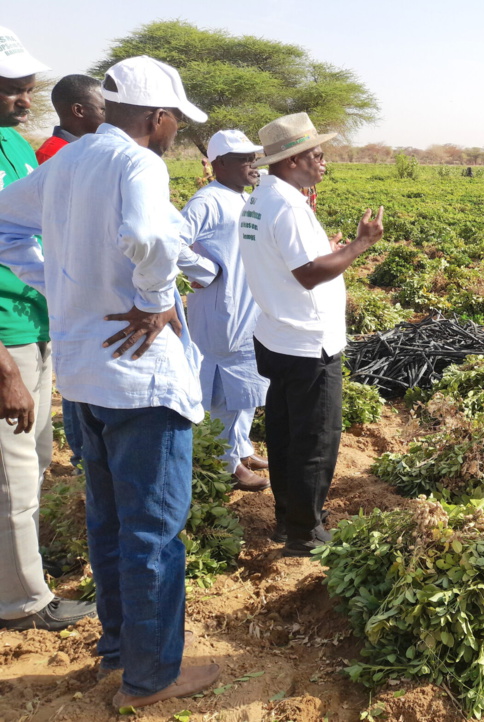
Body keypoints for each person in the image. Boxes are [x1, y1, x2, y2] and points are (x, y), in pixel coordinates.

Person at [0, 55, 220, 708]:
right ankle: (152, 678)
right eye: (175, 120)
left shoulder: (67, 161)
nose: (175, 131)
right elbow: (149, 237)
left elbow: (6, 226)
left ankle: (119, 653)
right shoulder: (137, 163)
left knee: (110, 525)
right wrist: (154, 299)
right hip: (141, 385)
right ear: (156, 117)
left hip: (83, 378)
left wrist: (60, 286)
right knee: (152, 533)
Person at [240, 112, 383, 557]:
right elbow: (307, 273)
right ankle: (306, 532)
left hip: (276, 335)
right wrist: (360, 244)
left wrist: (329, 248)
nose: (324, 162)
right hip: (307, 343)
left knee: (283, 435)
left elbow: (290, 259)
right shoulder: (287, 205)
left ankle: (288, 520)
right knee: (316, 441)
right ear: (293, 160)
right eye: (317, 155)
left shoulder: (261, 198)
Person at [0, 26, 97, 632]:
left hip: (32, 321)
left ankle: (21, 567)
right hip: (6, 335)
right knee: (11, 473)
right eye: (13, 88)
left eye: (27, 87)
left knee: (33, 460)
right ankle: (22, 602)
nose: (26, 97)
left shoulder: (13, 144)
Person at [180, 129, 270, 492]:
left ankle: (242, 447)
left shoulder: (243, 197)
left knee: (246, 383)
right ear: (219, 164)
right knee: (225, 390)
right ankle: (226, 461)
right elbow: (171, 242)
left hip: (248, 306)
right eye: (243, 159)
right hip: (224, 310)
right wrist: (205, 272)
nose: (253, 164)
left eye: (253, 157)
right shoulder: (207, 200)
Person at [35, 74, 106, 473]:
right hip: (68, 278)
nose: (108, 116)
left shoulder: (77, 151)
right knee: (78, 364)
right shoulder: (56, 154)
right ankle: (82, 452)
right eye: (102, 107)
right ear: (78, 111)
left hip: (78, 276)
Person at [35, 74, 105, 164]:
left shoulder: (88, 148)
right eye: (104, 110)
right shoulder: (51, 155)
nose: (110, 116)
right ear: (79, 110)